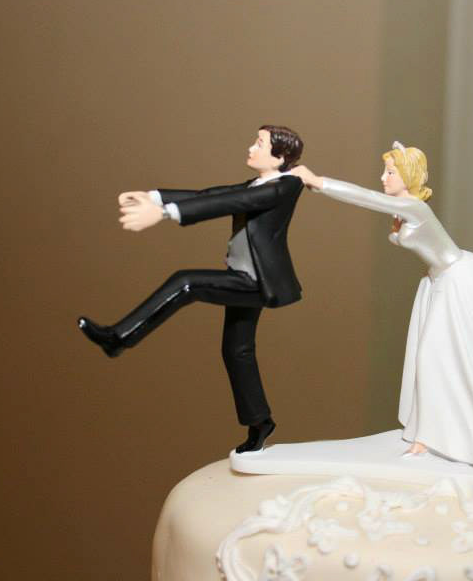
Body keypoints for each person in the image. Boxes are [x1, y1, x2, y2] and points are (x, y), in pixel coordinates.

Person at [288, 143, 473, 467]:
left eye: (390, 172)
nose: (383, 177)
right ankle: (428, 435)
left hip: (458, 279)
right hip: (436, 280)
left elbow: (367, 198)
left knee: (434, 355)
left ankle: (445, 438)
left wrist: (319, 182)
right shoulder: (405, 210)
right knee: (428, 356)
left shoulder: (414, 207)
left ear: (407, 176)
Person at [78, 125, 305, 453]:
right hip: (243, 274)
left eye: (259, 143)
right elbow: (210, 195)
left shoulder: (285, 186)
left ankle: (120, 338)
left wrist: (164, 214)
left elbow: (231, 202)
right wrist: (154, 197)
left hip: (259, 282)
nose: (251, 148)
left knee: (187, 282)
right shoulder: (257, 183)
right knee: (236, 350)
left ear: (279, 156)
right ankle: (260, 422)